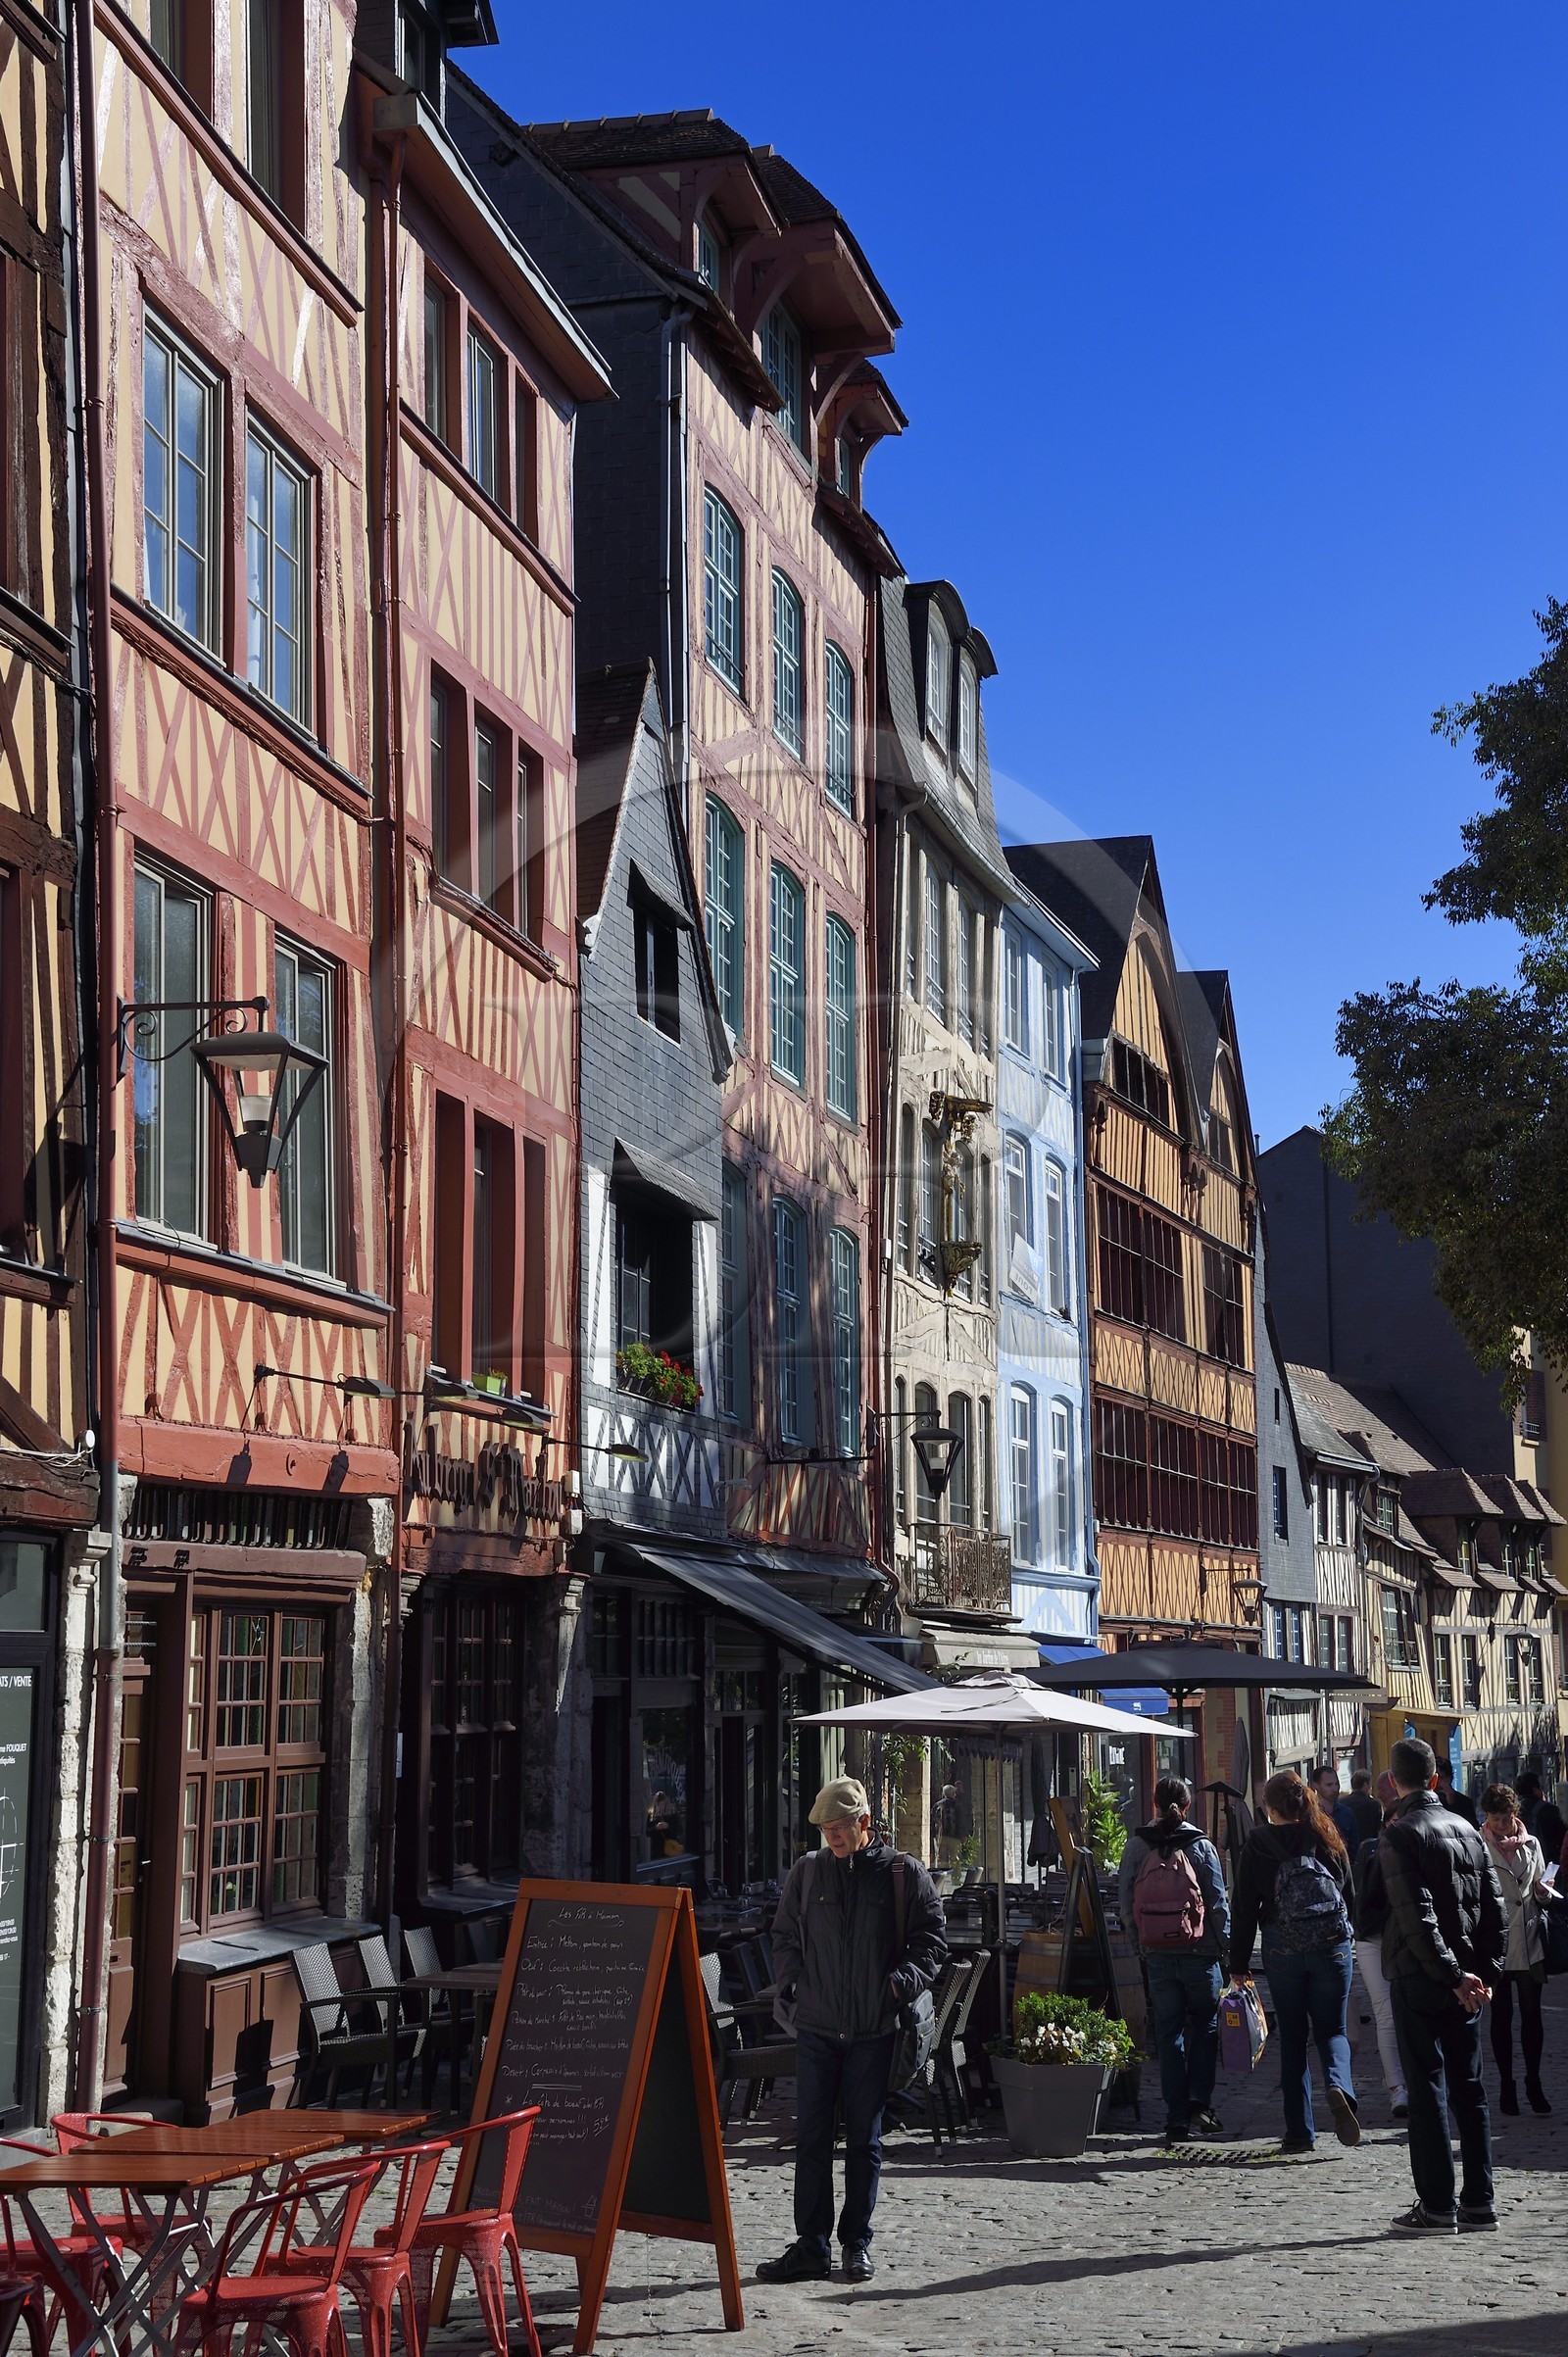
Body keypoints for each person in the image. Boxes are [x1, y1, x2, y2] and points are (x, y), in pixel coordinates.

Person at [760, 1778, 946, 2285]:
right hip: (818, 2029)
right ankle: (811, 2245)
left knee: (864, 2141)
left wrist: (896, 1987)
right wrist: (794, 1982)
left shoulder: (902, 1874)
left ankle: (855, 2245)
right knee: (813, 2140)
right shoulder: (808, 1872)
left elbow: (931, 1942)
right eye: (825, 1830)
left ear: (865, 1822)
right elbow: (782, 1935)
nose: (832, 1838)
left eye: (840, 1828)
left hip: (873, 2028)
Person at [1379, 1735, 1507, 2234]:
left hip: (1425, 1977)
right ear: (1434, 1779)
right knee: (1469, 2089)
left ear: (1393, 1782)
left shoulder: (1400, 1834)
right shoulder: (1468, 1830)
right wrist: (1485, 1975)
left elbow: (1416, 1918)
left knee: (1429, 2088)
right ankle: (1479, 2200)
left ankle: (1436, 2204)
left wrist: (1456, 1976)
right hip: (1467, 1979)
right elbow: (1496, 1910)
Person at [1230, 1768, 1358, 2153]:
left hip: (1282, 1947)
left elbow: (1244, 1908)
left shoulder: (1258, 1843)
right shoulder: (1327, 1834)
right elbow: (1349, 1893)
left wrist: (1238, 1963)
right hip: (1331, 1947)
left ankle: (1300, 2132)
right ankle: (1339, 2086)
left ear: (1269, 1807)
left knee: (1293, 2039)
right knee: (1333, 2031)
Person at [1116, 1776, 1231, 2146]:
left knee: (1167, 2034)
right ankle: (1199, 2098)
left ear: (1153, 1804)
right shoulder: (1200, 1845)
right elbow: (1216, 1903)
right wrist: (1228, 1950)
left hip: (1159, 1956)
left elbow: (1125, 1907)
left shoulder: (1136, 1846)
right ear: (1187, 1806)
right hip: (1201, 1954)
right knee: (1206, 2025)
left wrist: (1141, 1947)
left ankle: (1175, 2116)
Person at [1479, 1783, 1556, 2115]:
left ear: (1516, 1815)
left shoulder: (1533, 1844)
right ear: (1487, 1818)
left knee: (1531, 2015)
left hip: (1529, 1940)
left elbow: (1542, 1891)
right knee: (1500, 2015)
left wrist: (1544, 1892)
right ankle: (1507, 2086)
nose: (1501, 1825)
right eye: (1495, 1819)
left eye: (1506, 1819)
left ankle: (1534, 2082)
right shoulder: (1477, 1844)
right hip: (1495, 1941)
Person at [1350, 1769, 1406, 2118]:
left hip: (1410, 1938)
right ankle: (1397, 2087)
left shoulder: (1420, 1847)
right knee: (1386, 2013)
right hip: (1372, 1939)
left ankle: (1418, 2081)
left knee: (1411, 2012)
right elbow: (1359, 1897)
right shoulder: (1370, 1851)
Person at [1313, 1764, 1361, 1854]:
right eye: (1329, 1785)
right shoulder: (1311, 1815)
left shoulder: (1346, 1813)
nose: (1335, 1789)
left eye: (1336, 1784)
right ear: (1316, 1786)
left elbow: (1355, 1847)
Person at [1434, 1758, 1480, 1827]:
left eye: (1441, 1778)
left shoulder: (1465, 1802)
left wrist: (1452, 1805)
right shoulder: (1426, 1800)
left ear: (1449, 1778)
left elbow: (1473, 1827)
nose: (1437, 1782)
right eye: (1434, 1778)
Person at [1348, 1771, 1384, 1847]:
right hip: (1368, 1847)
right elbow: (1378, 1829)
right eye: (1370, 1785)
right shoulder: (1374, 1804)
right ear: (1365, 1785)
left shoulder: (1341, 1802)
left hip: (1348, 1846)